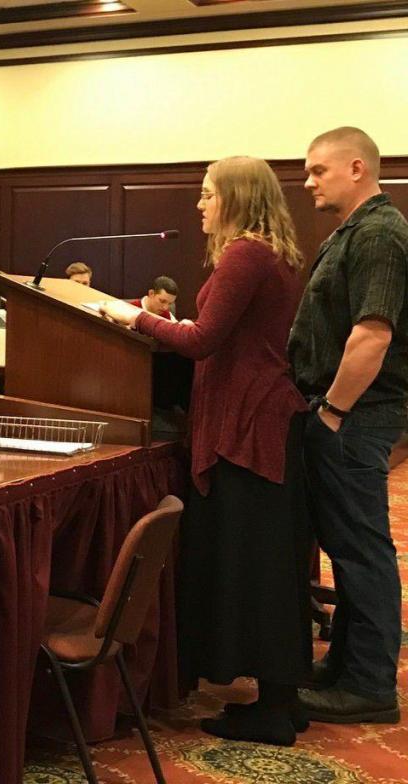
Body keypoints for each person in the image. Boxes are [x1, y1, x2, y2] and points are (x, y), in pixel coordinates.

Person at [101, 156, 310, 745]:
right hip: (258, 415)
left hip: (249, 424)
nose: (199, 205)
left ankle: (273, 710)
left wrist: (133, 315)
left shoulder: (245, 253)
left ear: (238, 198)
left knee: (258, 565)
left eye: (208, 194)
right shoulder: (265, 251)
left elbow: (202, 342)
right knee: (270, 561)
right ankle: (281, 699)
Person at [290, 127, 408, 726]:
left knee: (362, 552)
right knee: (349, 547)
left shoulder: (382, 234)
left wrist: (332, 411)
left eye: (318, 171)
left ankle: (367, 684)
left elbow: (373, 334)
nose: (308, 181)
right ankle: (345, 667)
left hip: (354, 417)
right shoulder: (356, 231)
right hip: (346, 415)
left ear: (357, 167)